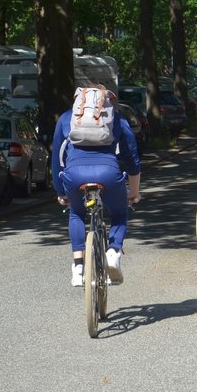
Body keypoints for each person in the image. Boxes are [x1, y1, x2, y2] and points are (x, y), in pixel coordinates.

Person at [52, 84, 141, 287]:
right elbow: (132, 158)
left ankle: (78, 268)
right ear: (105, 101)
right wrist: (134, 192)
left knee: (76, 212)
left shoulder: (66, 118)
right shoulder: (116, 119)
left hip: (74, 175)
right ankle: (113, 252)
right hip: (108, 174)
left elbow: (57, 158)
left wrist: (60, 191)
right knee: (119, 213)